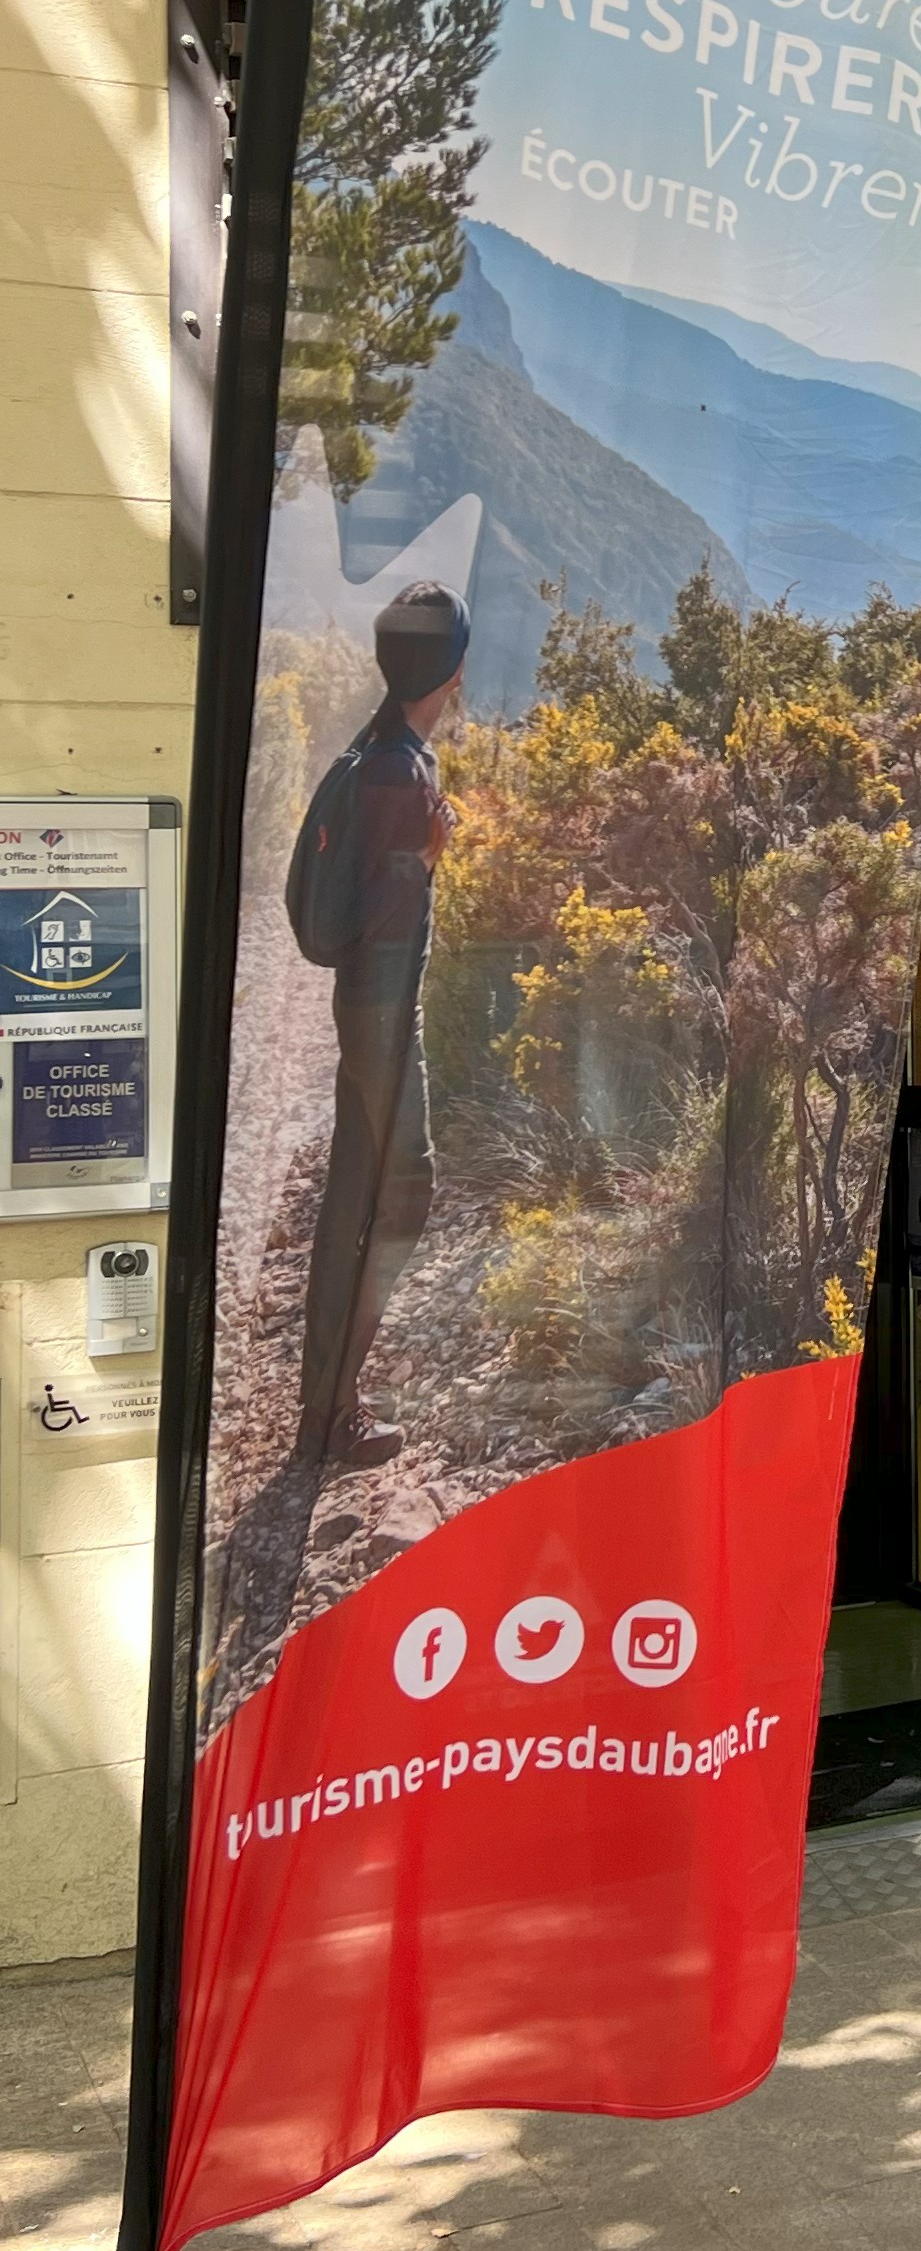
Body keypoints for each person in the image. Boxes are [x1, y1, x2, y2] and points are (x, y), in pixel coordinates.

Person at [220, 582, 467, 1691]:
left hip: (360, 1010)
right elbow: (382, 918)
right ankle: (334, 1406)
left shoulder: (375, 756)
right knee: (404, 1193)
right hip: (379, 1014)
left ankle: (324, 1410)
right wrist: (425, 856)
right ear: (446, 676)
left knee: (357, 1199)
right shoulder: (399, 776)